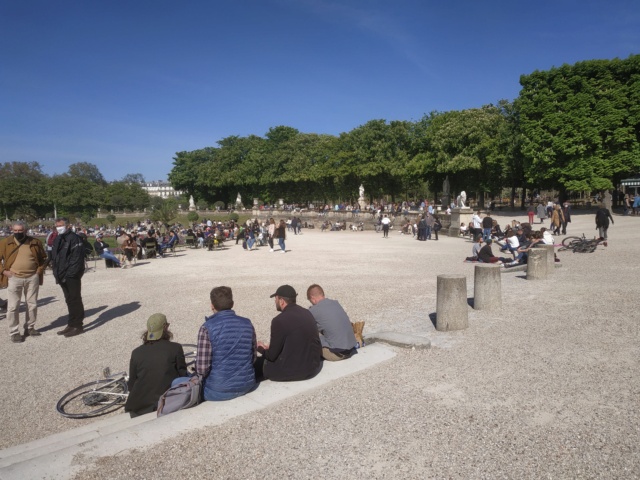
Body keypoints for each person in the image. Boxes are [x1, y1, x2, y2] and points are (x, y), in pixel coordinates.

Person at [194, 286, 257, 401]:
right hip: (247, 385)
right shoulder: (247, 323)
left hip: (218, 390)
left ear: (212, 305)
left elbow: (202, 369)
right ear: (232, 303)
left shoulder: (206, 328)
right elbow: (253, 358)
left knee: (178, 381)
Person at [124, 313, 187, 417]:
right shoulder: (175, 348)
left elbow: (131, 385)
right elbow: (182, 375)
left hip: (139, 406)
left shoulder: (136, 352)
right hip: (166, 401)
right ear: (165, 327)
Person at [255, 285, 322, 381]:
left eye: (276, 299)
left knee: (257, 363)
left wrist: (260, 348)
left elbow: (272, 356)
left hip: (294, 372)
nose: (275, 302)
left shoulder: (279, 320)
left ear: (281, 301)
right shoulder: (307, 313)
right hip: (313, 368)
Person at [0, 221, 48, 343]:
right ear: (12, 229)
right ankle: (14, 332)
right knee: (13, 306)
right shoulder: (6, 242)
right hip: (14, 278)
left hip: (32, 277)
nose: (17, 232)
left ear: (25, 230)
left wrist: (39, 271)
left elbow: (43, 258)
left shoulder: (35, 242)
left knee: (32, 304)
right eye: (15, 230)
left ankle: (30, 327)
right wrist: (4, 272)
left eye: (20, 230)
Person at [51, 217, 86, 337]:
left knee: (75, 299)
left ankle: (78, 325)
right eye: (57, 226)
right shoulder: (59, 238)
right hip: (61, 274)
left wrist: (69, 274)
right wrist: (57, 273)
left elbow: (76, 259)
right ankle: (71, 323)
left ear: (68, 225)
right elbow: (55, 257)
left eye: (60, 225)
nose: (58, 228)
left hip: (71, 275)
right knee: (69, 300)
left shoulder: (75, 238)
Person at [306, 284, 357, 361]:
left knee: (310, 331)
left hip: (338, 354)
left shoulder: (314, 310)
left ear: (312, 298)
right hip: (352, 349)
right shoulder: (336, 303)